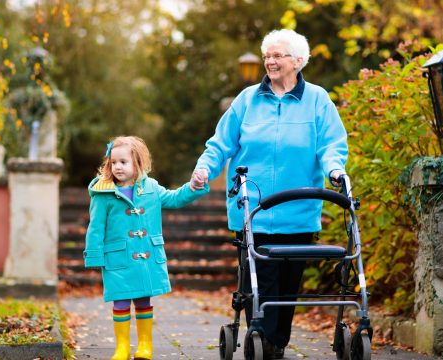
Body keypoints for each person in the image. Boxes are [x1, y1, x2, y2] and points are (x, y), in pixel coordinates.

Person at [190, 29, 348, 359]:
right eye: (267, 56)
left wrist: (334, 169)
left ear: (299, 61)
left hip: (299, 208)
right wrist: (205, 167)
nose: (270, 61)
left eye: (278, 56)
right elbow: (221, 144)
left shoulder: (317, 99)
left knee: (288, 285)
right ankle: (261, 337)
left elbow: (332, 144)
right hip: (252, 207)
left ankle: (276, 341)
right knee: (258, 278)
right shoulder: (247, 100)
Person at [84, 136, 209, 360]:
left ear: (138, 163)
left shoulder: (151, 188)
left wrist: (193, 187)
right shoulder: (103, 193)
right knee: (120, 301)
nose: (118, 167)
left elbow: (174, 198)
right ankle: (122, 347)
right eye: (114, 162)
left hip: (145, 258)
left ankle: (144, 346)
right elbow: (95, 227)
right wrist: (94, 255)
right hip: (118, 258)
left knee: (143, 300)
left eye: (123, 162)